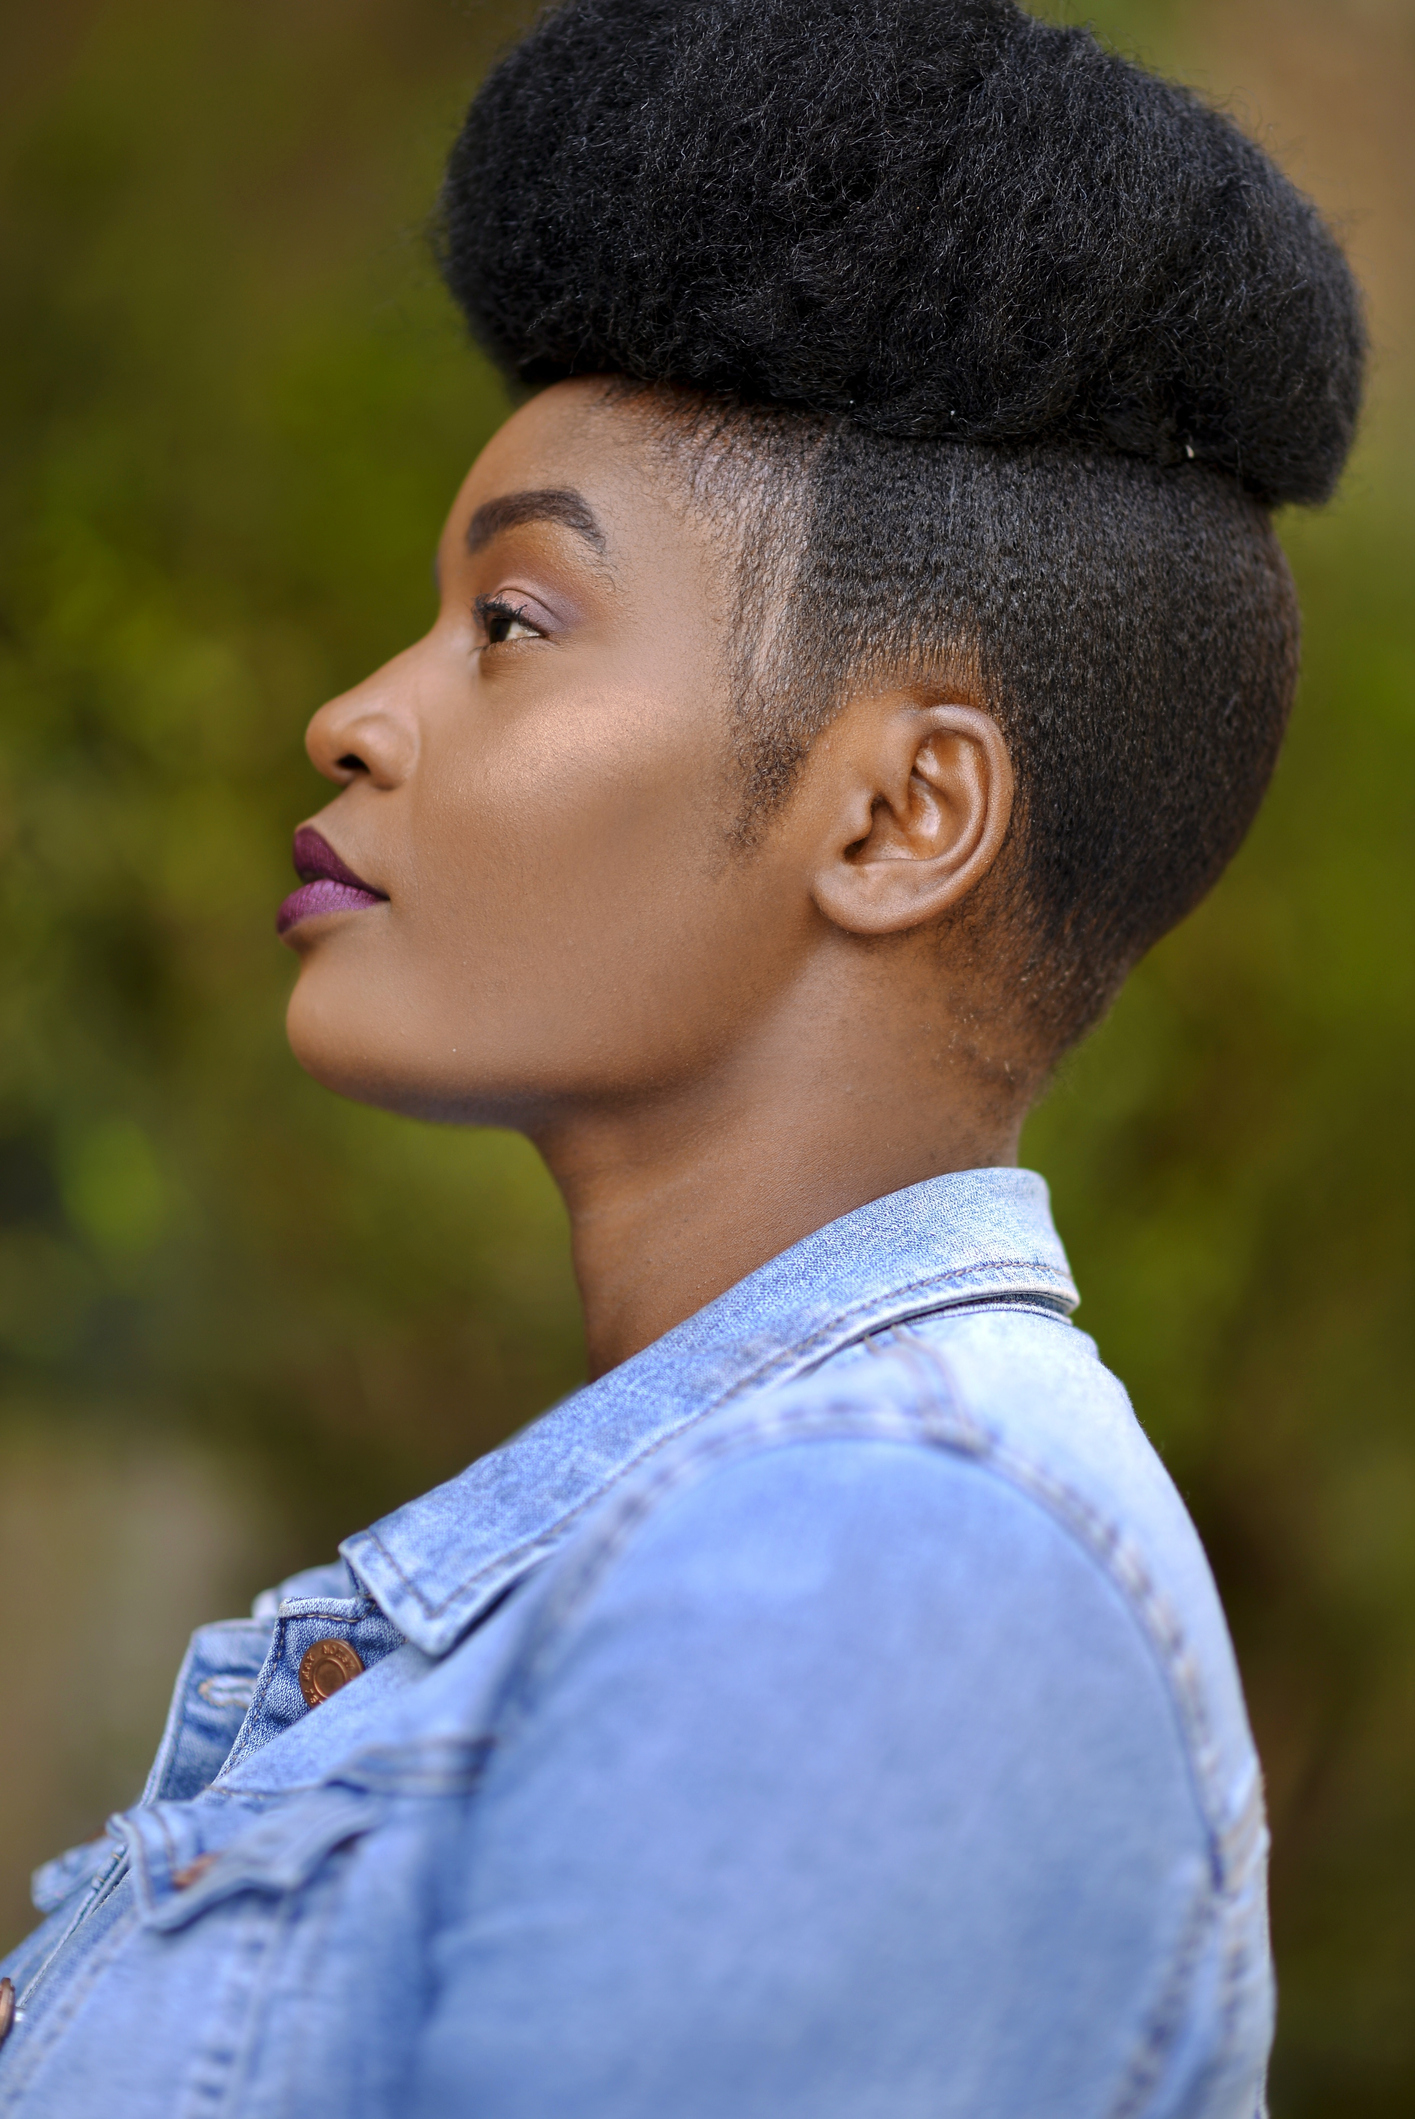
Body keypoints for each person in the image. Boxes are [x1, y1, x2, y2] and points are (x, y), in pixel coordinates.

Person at [0, 2, 1364, 2113]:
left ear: (902, 816)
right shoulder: (775, 1537)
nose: (358, 714)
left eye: (512, 623)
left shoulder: (887, 1570)